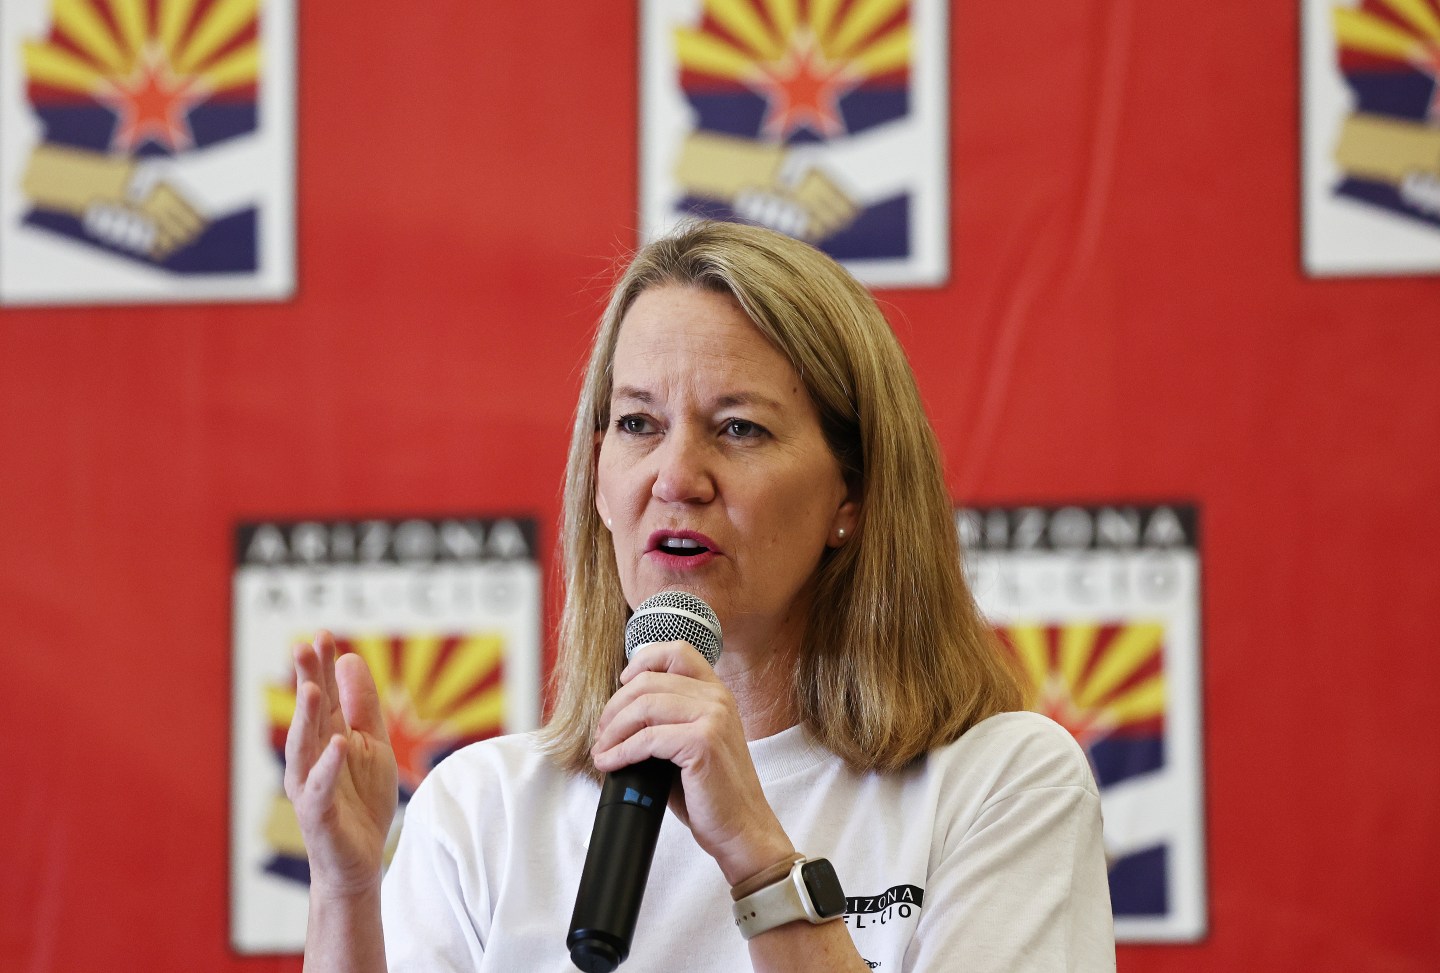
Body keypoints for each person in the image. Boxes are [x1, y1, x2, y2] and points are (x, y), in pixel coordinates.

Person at [285, 220, 1116, 972]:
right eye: (640, 423)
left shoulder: (1001, 781)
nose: (676, 478)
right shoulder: (480, 808)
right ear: (598, 478)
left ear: (851, 496)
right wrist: (346, 890)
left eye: (739, 428)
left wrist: (759, 858)